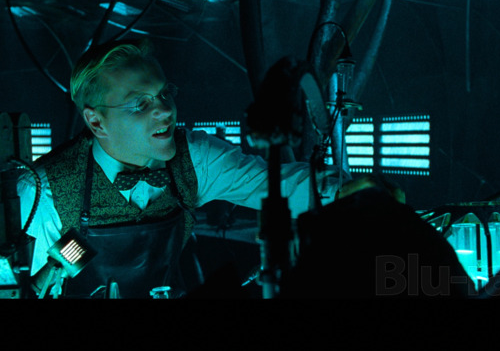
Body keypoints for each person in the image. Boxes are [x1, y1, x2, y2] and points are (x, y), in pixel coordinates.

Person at [17, 38, 344, 299]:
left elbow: (282, 186)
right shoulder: (45, 191)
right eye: (141, 103)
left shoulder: (195, 159)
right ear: (96, 121)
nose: (165, 110)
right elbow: (27, 290)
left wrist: (351, 193)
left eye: (163, 94)